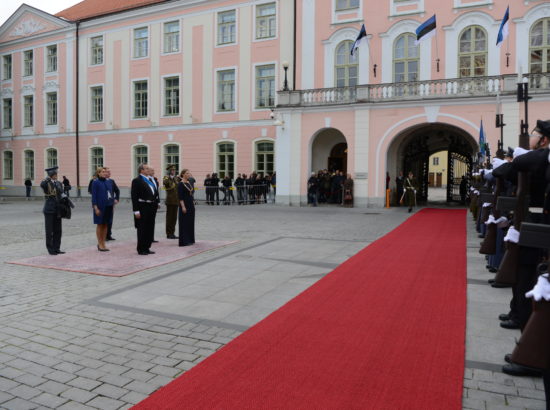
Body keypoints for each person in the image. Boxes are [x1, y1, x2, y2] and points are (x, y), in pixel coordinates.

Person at [131, 163, 157, 255]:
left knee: (150, 227)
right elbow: (134, 197)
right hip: (142, 207)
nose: (148, 170)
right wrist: (136, 210)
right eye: (146, 168)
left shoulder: (149, 179)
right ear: (141, 170)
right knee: (142, 228)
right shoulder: (137, 180)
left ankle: (147, 247)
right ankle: (141, 248)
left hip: (151, 206)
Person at [40, 167, 64, 255]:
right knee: (49, 230)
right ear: (50, 175)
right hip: (49, 209)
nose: (56, 176)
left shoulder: (59, 183)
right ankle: (50, 249)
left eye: (56, 174)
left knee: (58, 230)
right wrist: (47, 179)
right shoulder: (46, 183)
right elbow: (42, 185)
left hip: (58, 209)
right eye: (54, 174)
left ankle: (57, 248)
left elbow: (62, 194)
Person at [91, 167, 115, 252]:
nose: (105, 173)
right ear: (99, 173)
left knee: (106, 225)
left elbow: (111, 194)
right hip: (100, 206)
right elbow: (94, 196)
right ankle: (100, 243)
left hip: (108, 205)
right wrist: (95, 207)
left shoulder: (108, 182)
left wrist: (112, 204)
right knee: (100, 224)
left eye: (105, 172)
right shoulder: (95, 182)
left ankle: (103, 243)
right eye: (103, 172)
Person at [178, 169, 195, 246]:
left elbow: (191, 194)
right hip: (184, 204)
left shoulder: (189, 182)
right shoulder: (180, 184)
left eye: (189, 173)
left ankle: (190, 239)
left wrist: (193, 202)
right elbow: (180, 197)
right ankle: (184, 241)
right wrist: (183, 207)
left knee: (190, 222)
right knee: (184, 223)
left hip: (190, 204)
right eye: (187, 173)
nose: (189, 174)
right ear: (183, 174)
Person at [164, 165, 180, 239]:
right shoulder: (166, 177)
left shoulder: (176, 178)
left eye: (174, 170)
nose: (173, 171)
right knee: (169, 218)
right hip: (170, 200)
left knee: (174, 218)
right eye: (172, 170)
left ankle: (172, 233)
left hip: (176, 200)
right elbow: (165, 183)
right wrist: (170, 178)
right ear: (169, 171)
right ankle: (168, 233)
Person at [104, 167, 119, 241]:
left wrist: (116, 199)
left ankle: (109, 234)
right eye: (107, 172)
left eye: (109, 172)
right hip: (103, 204)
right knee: (104, 220)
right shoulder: (99, 181)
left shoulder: (111, 181)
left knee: (110, 219)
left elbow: (117, 190)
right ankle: (104, 235)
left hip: (111, 203)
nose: (109, 173)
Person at [150, 167, 160, 243]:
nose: (153, 172)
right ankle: (149, 237)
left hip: (155, 202)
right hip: (149, 202)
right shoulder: (147, 180)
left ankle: (152, 237)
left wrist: (158, 202)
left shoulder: (155, 180)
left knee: (153, 220)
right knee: (149, 220)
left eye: (153, 170)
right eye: (151, 170)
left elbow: (157, 192)